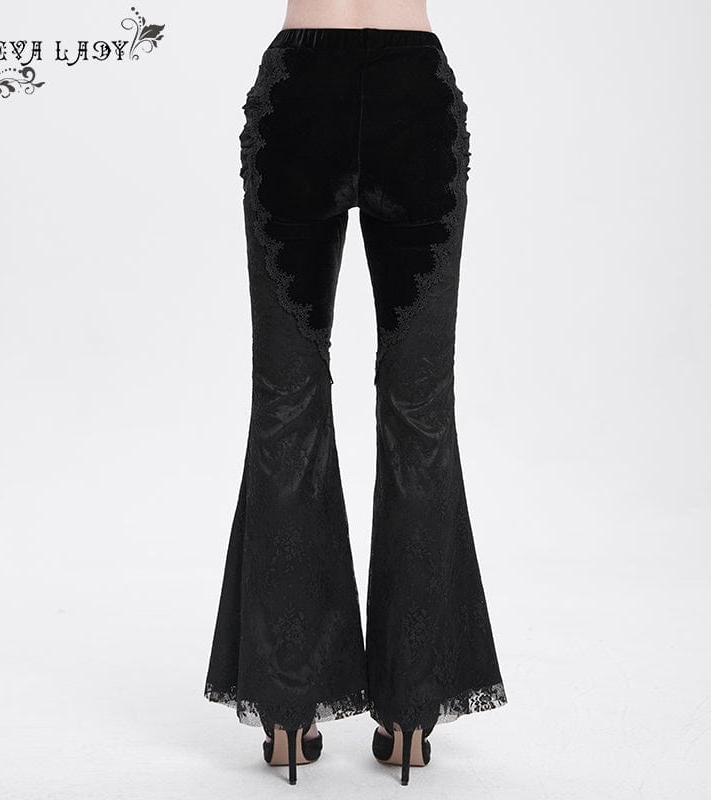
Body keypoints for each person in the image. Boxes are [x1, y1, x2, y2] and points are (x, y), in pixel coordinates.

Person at [203, 0, 507, 786]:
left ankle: (286, 710)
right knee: (420, 406)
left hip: (299, 95)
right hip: (416, 93)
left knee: (287, 397)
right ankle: (410, 714)